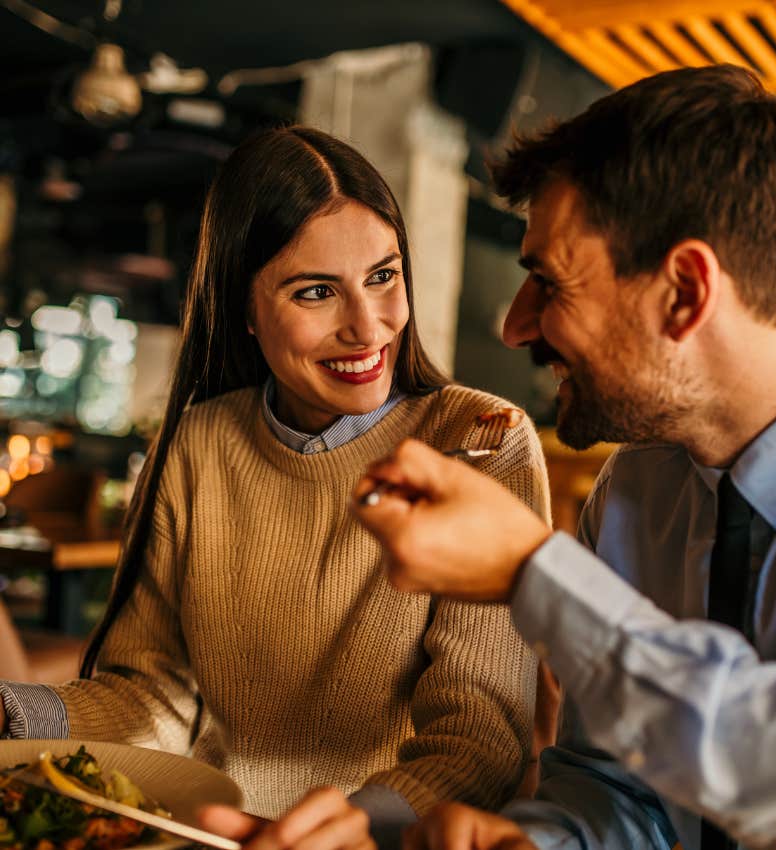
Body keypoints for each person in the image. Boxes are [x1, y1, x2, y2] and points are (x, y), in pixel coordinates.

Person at [345, 65, 776, 850]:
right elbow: (616, 784)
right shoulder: (633, 488)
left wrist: (532, 576)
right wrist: (542, 843)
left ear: (684, 292)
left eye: (547, 282)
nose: (516, 327)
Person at [0, 127, 549, 846]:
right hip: (204, 835)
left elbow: (481, 734)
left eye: (383, 276)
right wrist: (16, 715)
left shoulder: (483, 438)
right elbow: (156, 693)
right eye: (316, 291)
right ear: (246, 311)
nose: (367, 326)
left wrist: (356, 824)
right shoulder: (197, 443)